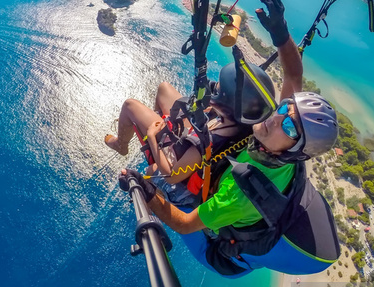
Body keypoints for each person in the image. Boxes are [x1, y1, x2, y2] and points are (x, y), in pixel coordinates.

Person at [119, 0, 341, 278]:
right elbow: (293, 75)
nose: (277, 118)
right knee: (171, 108)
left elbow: (185, 223)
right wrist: (280, 32)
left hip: (214, 253)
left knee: (155, 172)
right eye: (284, 109)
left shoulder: (240, 193)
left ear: (294, 149)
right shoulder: (276, 137)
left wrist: (150, 194)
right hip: (226, 178)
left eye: (289, 126)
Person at [105, 49, 275, 206]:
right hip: (192, 136)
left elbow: (171, 177)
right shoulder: (240, 124)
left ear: (227, 104)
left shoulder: (203, 145)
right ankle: (155, 120)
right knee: (164, 88)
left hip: (178, 165)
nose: (214, 87)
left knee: (130, 105)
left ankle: (121, 145)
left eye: (218, 88)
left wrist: (151, 136)